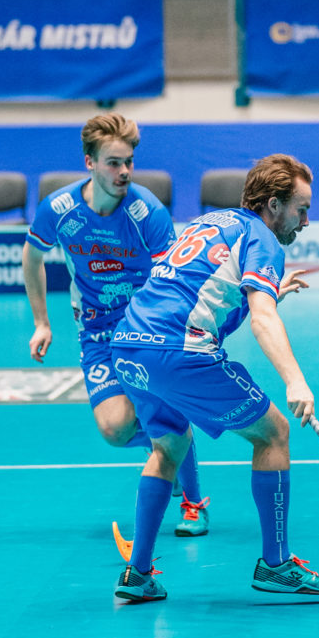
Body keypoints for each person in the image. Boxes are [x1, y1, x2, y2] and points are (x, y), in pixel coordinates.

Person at [108, 154, 319, 602]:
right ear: (274, 204)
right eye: (302, 209)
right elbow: (261, 319)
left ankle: (138, 574)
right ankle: (276, 565)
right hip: (179, 351)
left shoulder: (211, 221)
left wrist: (270, 291)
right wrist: (295, 379)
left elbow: (203, 290)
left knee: (168, 447)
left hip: (129, 346)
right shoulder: (264, 239)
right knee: (274, 433)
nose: (307, 221)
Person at [22, 114, 211, 537]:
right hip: (96, 331)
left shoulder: (147, 212)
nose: (124, 171)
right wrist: (41, 322)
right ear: (89, 162)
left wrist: (178, 332)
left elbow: (174, 279)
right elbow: (32, 258)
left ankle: (193, 502)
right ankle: (170, 446)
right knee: (114, 429)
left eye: (128, 162)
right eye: (113, 163)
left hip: (148, 329)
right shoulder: (60, 209)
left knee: (161, 414)